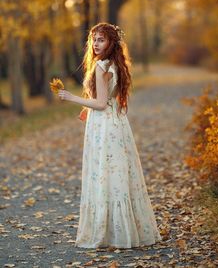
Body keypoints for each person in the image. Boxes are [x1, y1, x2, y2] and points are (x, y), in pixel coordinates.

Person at [58, 22, 162, 249]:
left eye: (101, 39)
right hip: (115, 124)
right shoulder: (114, 63)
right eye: (94, 39)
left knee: (105, 174)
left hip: (105, 127)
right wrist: (87, 110)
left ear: (111, 42)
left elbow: (101, 103)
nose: (96, 44)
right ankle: (121, 232)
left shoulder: (102, 67)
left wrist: (71, 97)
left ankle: (111, 234)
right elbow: (108, 100)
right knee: (115, 175)